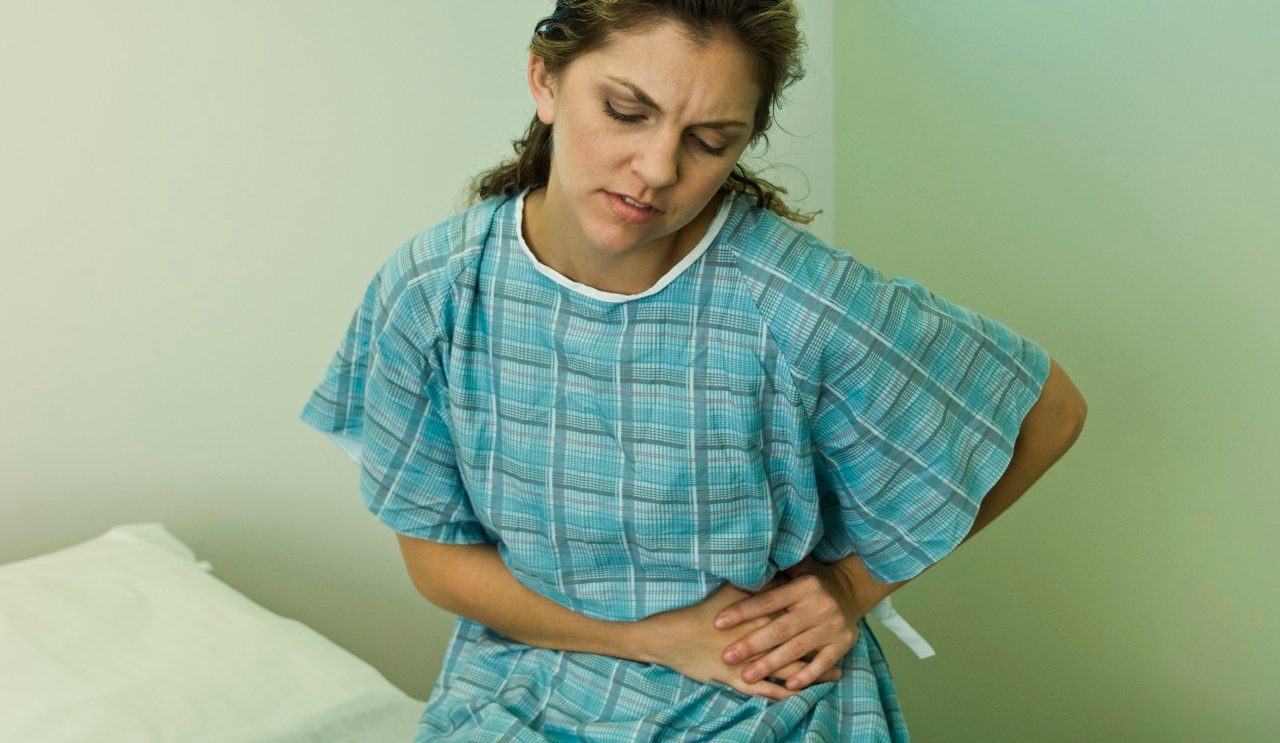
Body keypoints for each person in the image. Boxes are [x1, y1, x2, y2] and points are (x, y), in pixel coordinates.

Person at [298, 1, 1088, 740]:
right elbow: (436, 559)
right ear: (545, 79)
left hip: (750, 698)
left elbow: (1047, 408)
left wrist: (852, 587)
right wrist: (650, 639)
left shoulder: (792, 299)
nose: (656, 168)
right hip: (522, 686)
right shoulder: (435, 289)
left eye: (710, 140)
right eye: (625, 111)